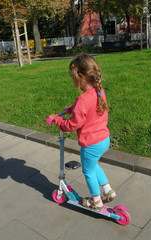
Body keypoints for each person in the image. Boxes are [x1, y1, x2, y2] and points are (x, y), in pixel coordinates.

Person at [48, 54, 116, 210]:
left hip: (91, 143)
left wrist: (56, 119)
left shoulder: (82, 100)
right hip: (103, 139)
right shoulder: (99, 92)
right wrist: (73, 108)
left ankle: (96, 201)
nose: (73, 82)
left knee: (88, 171)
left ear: (81, 76)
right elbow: (90, 109)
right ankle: (108, 191)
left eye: (74, 79)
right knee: (93, 165)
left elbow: (72, 124)